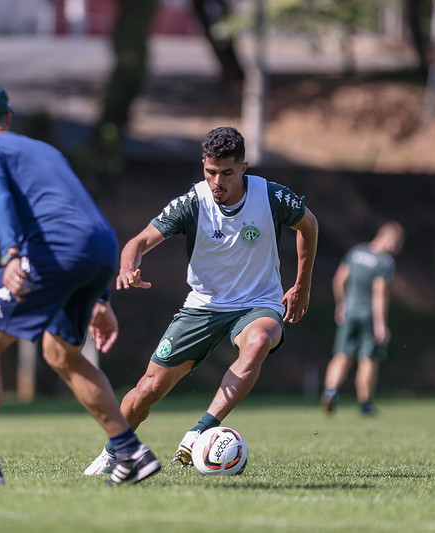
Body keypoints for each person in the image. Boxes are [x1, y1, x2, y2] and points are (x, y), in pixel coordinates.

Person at [0, 82, 160, 486]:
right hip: (100, 246)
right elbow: (81, 209)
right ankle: (130, 452)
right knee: (61, 353)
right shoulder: (45, 150)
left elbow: (0, 197)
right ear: (8, 118)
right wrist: (100, 296)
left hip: (53, 249)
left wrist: (10, 255)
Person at [84, 126, 318, 475]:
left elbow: (309, 226)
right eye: (210, 172)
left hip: (258, 303)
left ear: (244, 168)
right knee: (148, 389)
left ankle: (200, 431)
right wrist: (128, 264)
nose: (217, 182)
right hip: (203, 306)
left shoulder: (271, 197)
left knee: (257, 342)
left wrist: (302, 286)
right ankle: (114, 450)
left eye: (227, 173)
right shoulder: (193, 203)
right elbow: (138, 241)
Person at [320, 221, 405, 416]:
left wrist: (341, 305)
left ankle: (330, 391)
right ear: (387, 237)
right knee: (368, 360)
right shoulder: (385, 262)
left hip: (349, 312)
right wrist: (381, 323)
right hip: (369, 315)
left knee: (341, 355)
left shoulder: (356, 252)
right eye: (397, 243)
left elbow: (339, 280)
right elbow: (379, 293)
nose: (397, 249)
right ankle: (365, 404)